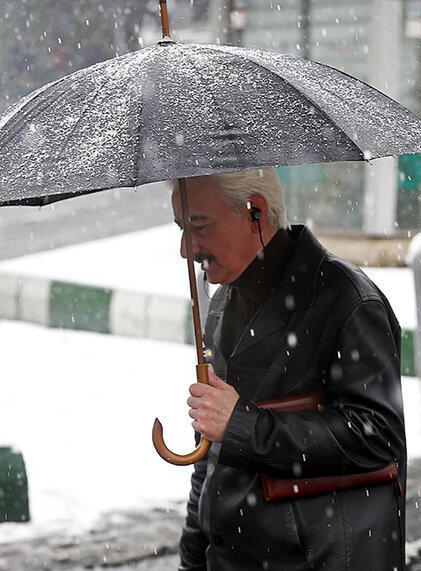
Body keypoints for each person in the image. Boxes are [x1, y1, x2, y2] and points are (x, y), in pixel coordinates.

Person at [171, 169, 407, 570]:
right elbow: (211, 459)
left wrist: (243, 425)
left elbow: (377, 437)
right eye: (180, 227)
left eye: (199, 226)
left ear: (255, 212)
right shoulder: (223, 302)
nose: (186, 249)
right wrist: (194, 557)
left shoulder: (346, 300)